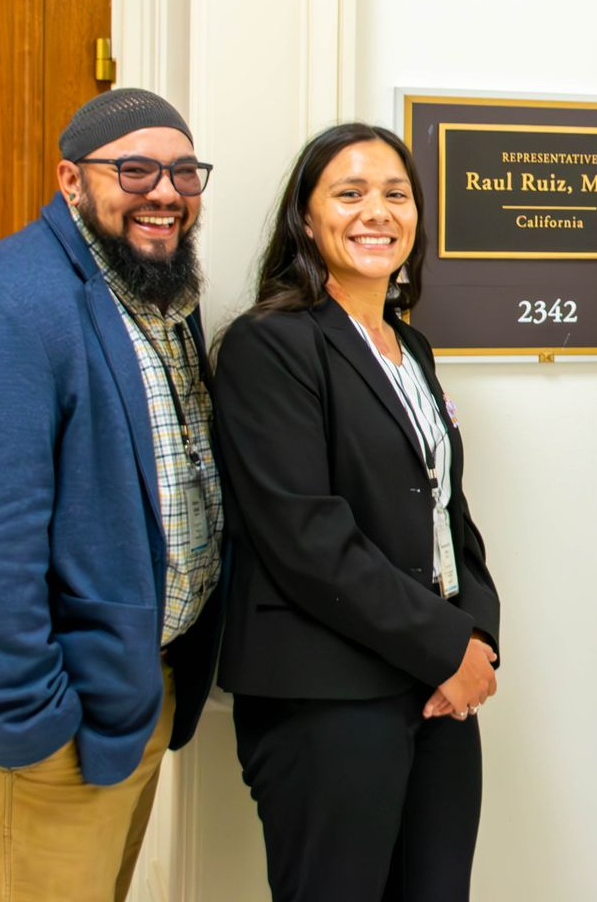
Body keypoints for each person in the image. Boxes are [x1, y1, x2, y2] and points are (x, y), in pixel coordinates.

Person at [0, 88, 225, 902]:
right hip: (28, 739)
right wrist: (35, 727)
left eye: (184, 172)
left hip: (126, 705)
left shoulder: (154, 299)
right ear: (70, 180)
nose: (165, 192)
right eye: (136, 169)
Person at [214, 122, 501, 901]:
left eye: (395, 195)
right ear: (306, 220)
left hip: (437, 692)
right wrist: (447, 644)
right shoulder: (267, 346)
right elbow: (308, 539)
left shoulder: (414, 349)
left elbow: (448, 513)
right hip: (329, 700)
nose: (376, 212)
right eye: (349, 194)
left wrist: (479, 632)